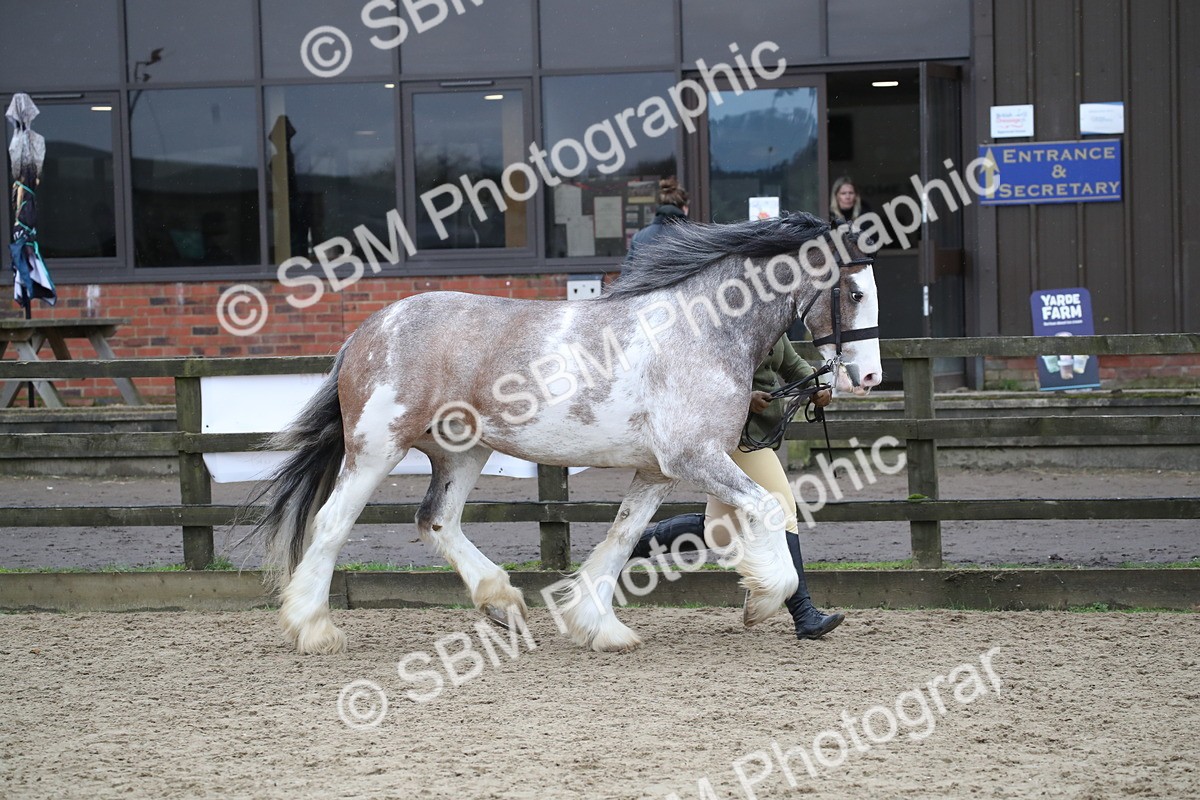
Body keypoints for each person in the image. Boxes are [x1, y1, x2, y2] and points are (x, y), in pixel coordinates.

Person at [621, 178, 845, 641]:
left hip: (751, 436)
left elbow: (794, 366)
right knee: (781, 509)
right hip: (728, 436)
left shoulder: (773, 329)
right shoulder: (719, 330)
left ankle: (635, 544)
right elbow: (699, 383)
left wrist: (817, 390)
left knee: (720, 534)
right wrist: (745, 399)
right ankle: (804, 613)